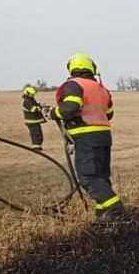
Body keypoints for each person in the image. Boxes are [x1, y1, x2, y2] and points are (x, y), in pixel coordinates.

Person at [46, 52, 125, 219]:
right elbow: (109, 113)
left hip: (86, 137)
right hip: (103, 137)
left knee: (88, 178)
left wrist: (53, 112)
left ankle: (115, 208)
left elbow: (71, 108)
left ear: (72, 67)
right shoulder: (101, 89)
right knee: (101, 177)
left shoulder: (74, 85)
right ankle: (104, 215)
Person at [21, 85, 46, 150]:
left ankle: (38, 146)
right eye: (32, 94)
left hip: (34, 121)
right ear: (28, 93)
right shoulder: (27, 101)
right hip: (32, 121)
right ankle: (36, 147)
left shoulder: (29, 99)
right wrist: (40, 107)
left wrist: (40, 105)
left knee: (38, 134)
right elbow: (33, 109)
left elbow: (34, 105)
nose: (33, 95)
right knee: (36, 134)